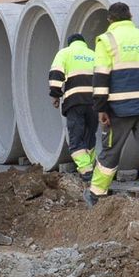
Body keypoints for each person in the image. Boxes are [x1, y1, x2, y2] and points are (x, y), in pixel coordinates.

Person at [87, 1, 139, 206]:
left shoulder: (106, 40)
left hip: (119, 109)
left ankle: (96, 194)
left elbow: (101, 79)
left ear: (110, 19)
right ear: (131, 16)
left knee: (110, 151)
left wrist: (101, 109)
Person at [48, 32, 99, 183]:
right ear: (84, 43)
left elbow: (56, 75)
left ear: (70, 43)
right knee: (90, 135)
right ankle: (90, 166)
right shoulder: (93, 54)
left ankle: (86, 171)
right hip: (94, 102)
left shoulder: (65, 53)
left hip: (75, 102)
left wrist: (55, 95)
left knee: (76, 137)